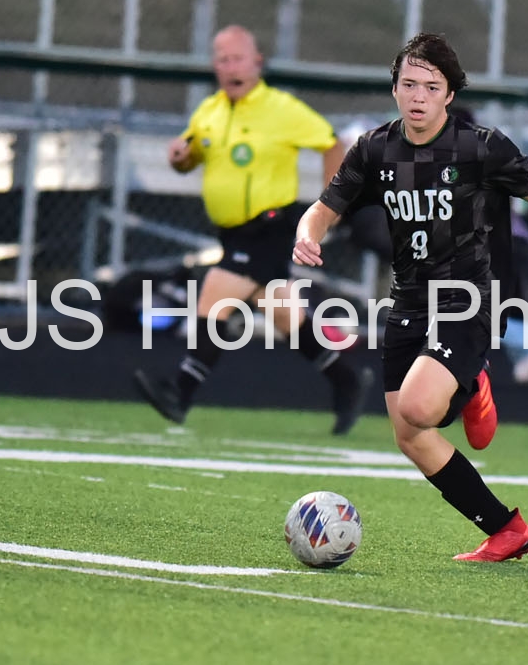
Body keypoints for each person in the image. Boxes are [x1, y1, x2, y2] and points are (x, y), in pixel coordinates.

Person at [293, 34, 528, 562]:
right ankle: (506, 529)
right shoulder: (375, 149)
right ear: (394, 89)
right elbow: (325, 208)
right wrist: (308, 234)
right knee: (409, 434)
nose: (418, 96)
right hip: (409, 300)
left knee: (419, 407)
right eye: (409, 84)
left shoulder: (480, 147)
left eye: (431, 86)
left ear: (449, 95)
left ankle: (469, 383)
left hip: (471, 296)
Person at [134, 25, 373, 434]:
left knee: (215, 296)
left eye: (238, 59)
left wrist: (332, 204)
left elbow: (331, 144)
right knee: (285, 318)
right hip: (232, 233)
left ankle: (180, 390)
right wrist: (179, 157)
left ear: (257, 63)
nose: (231, 67)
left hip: (268, 227)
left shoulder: (281, 108)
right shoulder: (209, 111)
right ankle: (345, 378)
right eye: (223, 60)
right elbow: (189, 157)